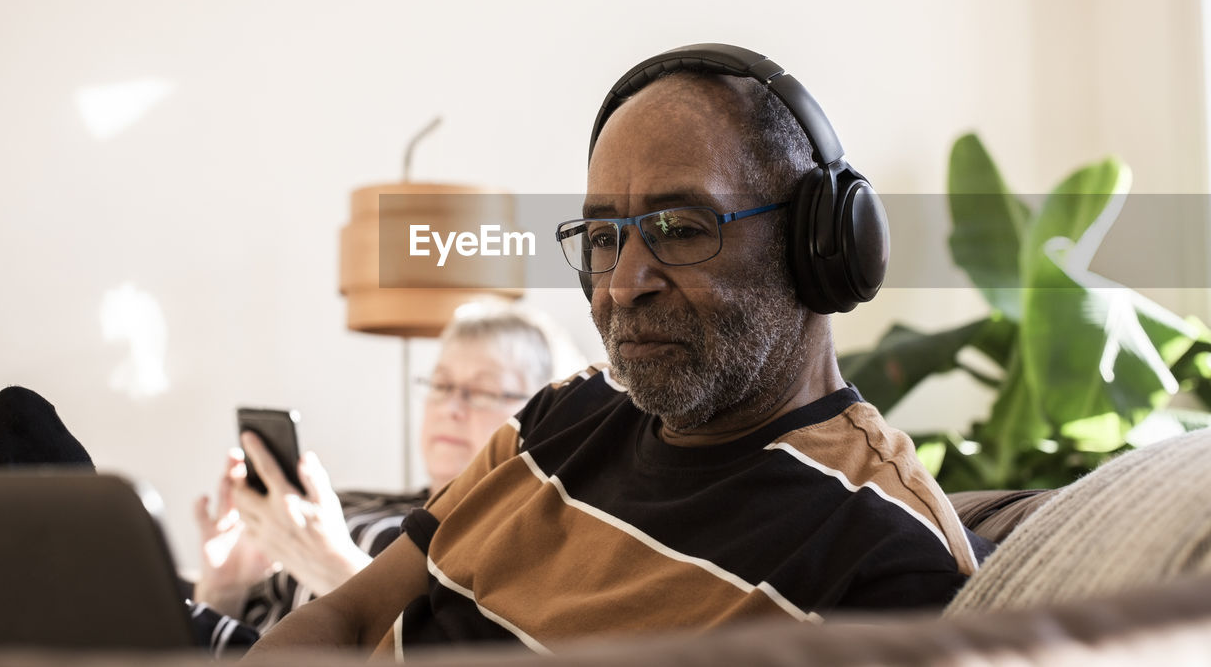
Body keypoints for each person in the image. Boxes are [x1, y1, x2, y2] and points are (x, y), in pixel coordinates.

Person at [248, 43, 993, 658]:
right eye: (604, 238)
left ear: (815, 246)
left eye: (681, 227)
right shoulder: (560, 415)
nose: (624, 284)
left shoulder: (884, 557)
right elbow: (346, 617)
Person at [188, 301, 561, 650]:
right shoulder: (348, 503)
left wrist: (335, 568)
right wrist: (225, 587)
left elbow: (459, 650)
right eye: (442, 385)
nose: (450, 407)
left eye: (482, 391)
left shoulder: (512, 543)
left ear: (539, 417)